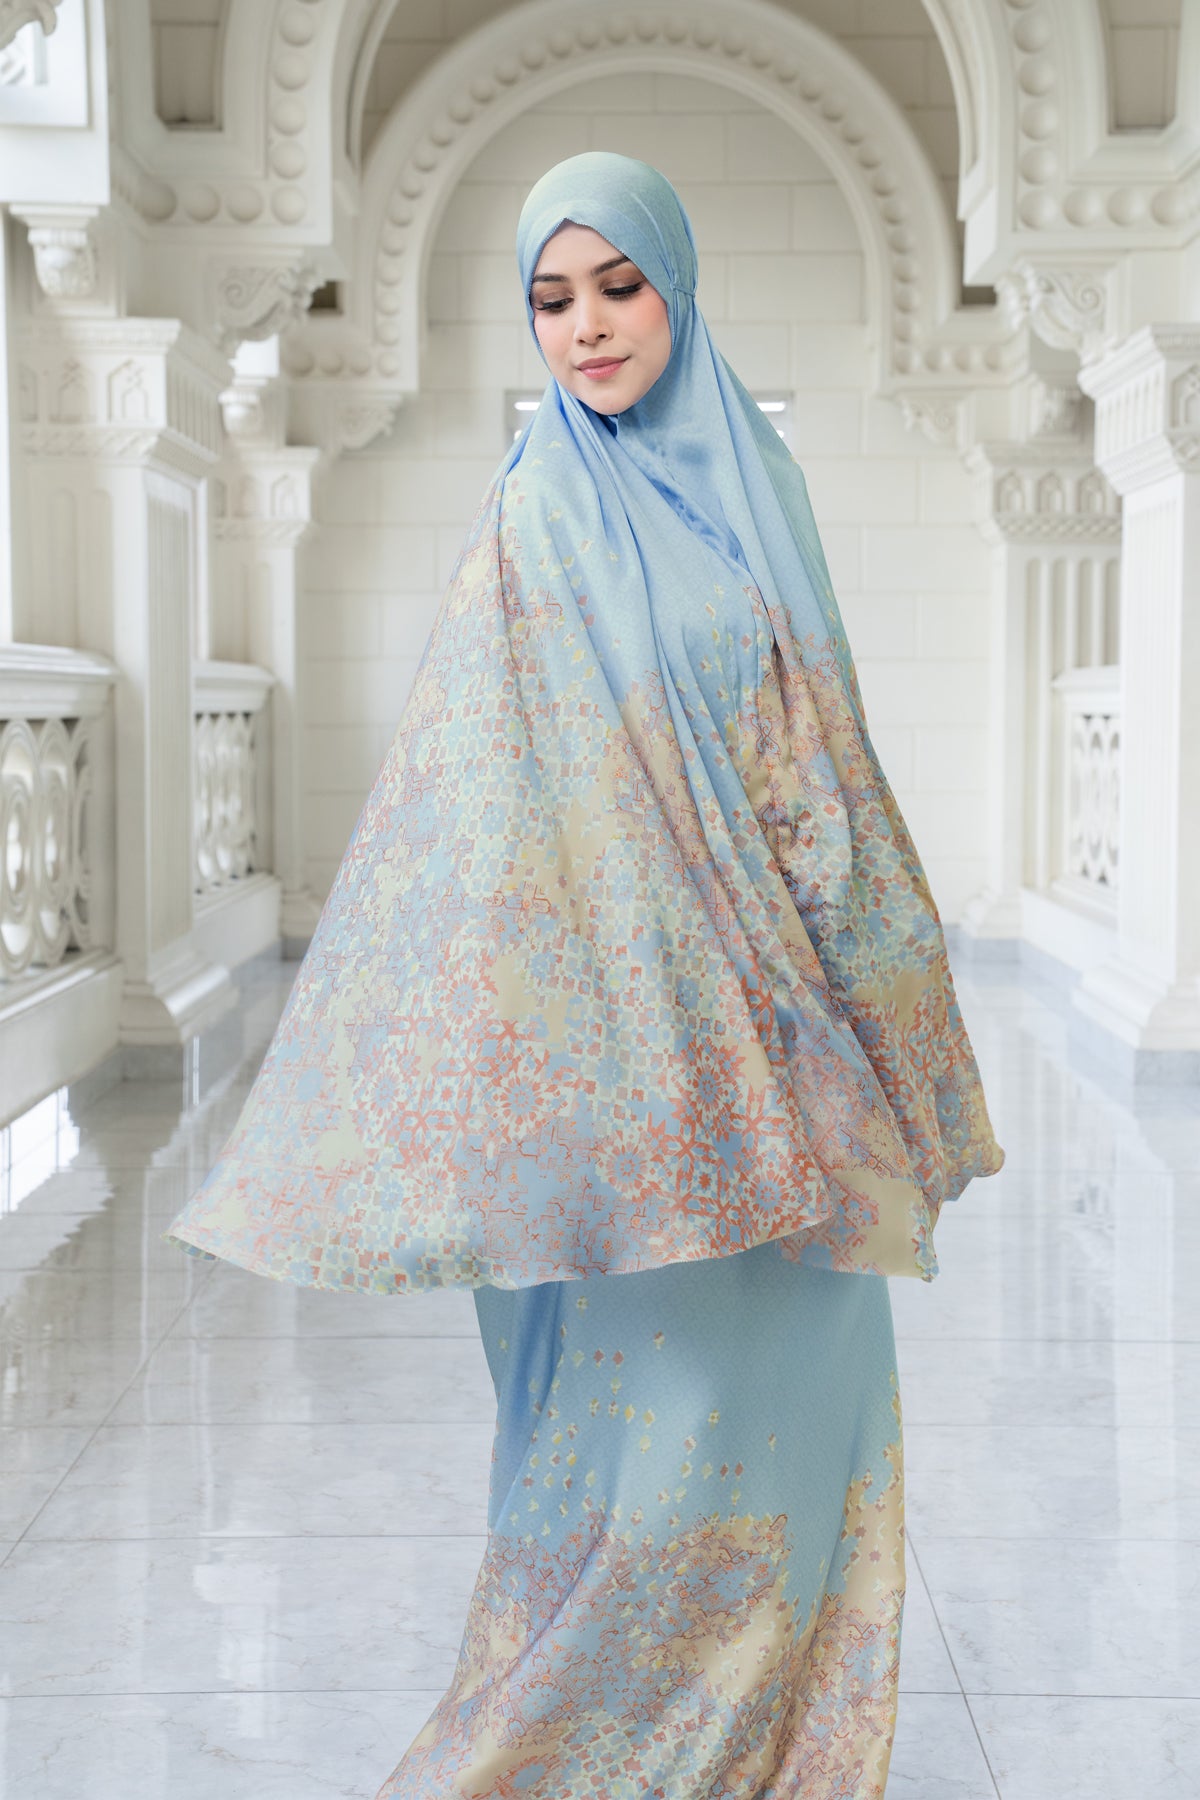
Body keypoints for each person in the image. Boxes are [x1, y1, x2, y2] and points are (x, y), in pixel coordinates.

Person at [167, 152, 1003, 1797]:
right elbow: (483, 802)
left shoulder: (764, 491)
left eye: (618, 287)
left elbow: (830, 771)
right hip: (638, 1085)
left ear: (678, 289)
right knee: (654, 1451)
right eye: (552, 300)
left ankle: (772, 1747)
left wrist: (886, 1035)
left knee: (799, 1414)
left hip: (798, 1057)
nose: (588, 328)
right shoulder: (539, 511)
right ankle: (594, 1754)